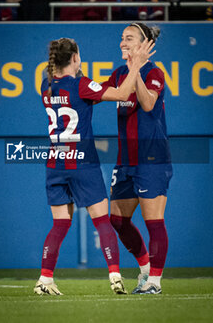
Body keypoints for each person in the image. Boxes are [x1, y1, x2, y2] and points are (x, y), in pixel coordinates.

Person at [34, 37, 156, 296]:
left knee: (59, 225)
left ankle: (45, 279)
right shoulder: (81, 84)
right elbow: (122, 94)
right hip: (83, 163)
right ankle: (114, 275)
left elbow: (79, 93)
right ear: (76, 58)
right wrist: (136, 65)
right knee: (102, 220)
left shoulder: (47, 85)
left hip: (55, 164)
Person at [102, 22, 173, 294]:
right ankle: (145, 268)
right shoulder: (118, 73)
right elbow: (96, 94)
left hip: (152, 158)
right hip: (125, 160)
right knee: (118, 220)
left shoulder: (154, 72)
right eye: (122, 38)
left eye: (129, 38)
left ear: (144, 45)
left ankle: (154, 281)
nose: (122, 42)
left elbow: (147, 103)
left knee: (153, 220)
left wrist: (137, 71)